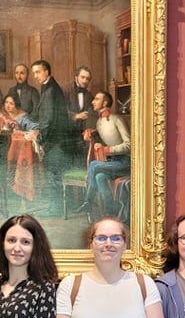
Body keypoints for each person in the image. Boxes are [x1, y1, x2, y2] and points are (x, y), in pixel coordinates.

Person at [31, 59, 73, 214]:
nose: (35, 76)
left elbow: (48, 120)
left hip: (55, 142)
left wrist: (39, 138)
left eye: (38, 72)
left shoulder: (50, 91)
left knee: (53, 174)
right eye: (34, 73)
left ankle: (55, 209)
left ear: (46, 72)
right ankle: (54, 207)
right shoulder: (49, 87)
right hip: (57, 141)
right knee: (53, 174)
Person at [80, 91, 131, 217]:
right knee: (99, 177)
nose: (93, 102)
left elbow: (129, 145)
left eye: (97, 99)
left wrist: (107, 150)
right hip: (111, 163)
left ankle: (88, 202)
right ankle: (110, 211)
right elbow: (104, 137)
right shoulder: (99, 121)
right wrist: (90, 132)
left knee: (94, 165)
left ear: (105, 103)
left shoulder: (117, 119)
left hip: (125, 162)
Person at [66, 65, 95, 165]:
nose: (85, 81)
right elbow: (59, 111)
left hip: (82, 133)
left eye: (87, 79)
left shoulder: (89, 95)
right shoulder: (65, 90)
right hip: (66, 132)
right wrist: (76, 116)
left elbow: (93, 111)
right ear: (76, 77)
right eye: (82, 77)